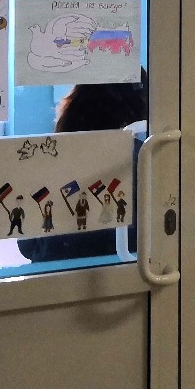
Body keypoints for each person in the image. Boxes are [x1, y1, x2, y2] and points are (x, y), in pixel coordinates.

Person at [18, 70, 147, 263]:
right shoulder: (144, 158)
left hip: (53, 271)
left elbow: (28, 246)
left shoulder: (50, 158)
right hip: (127, 271)